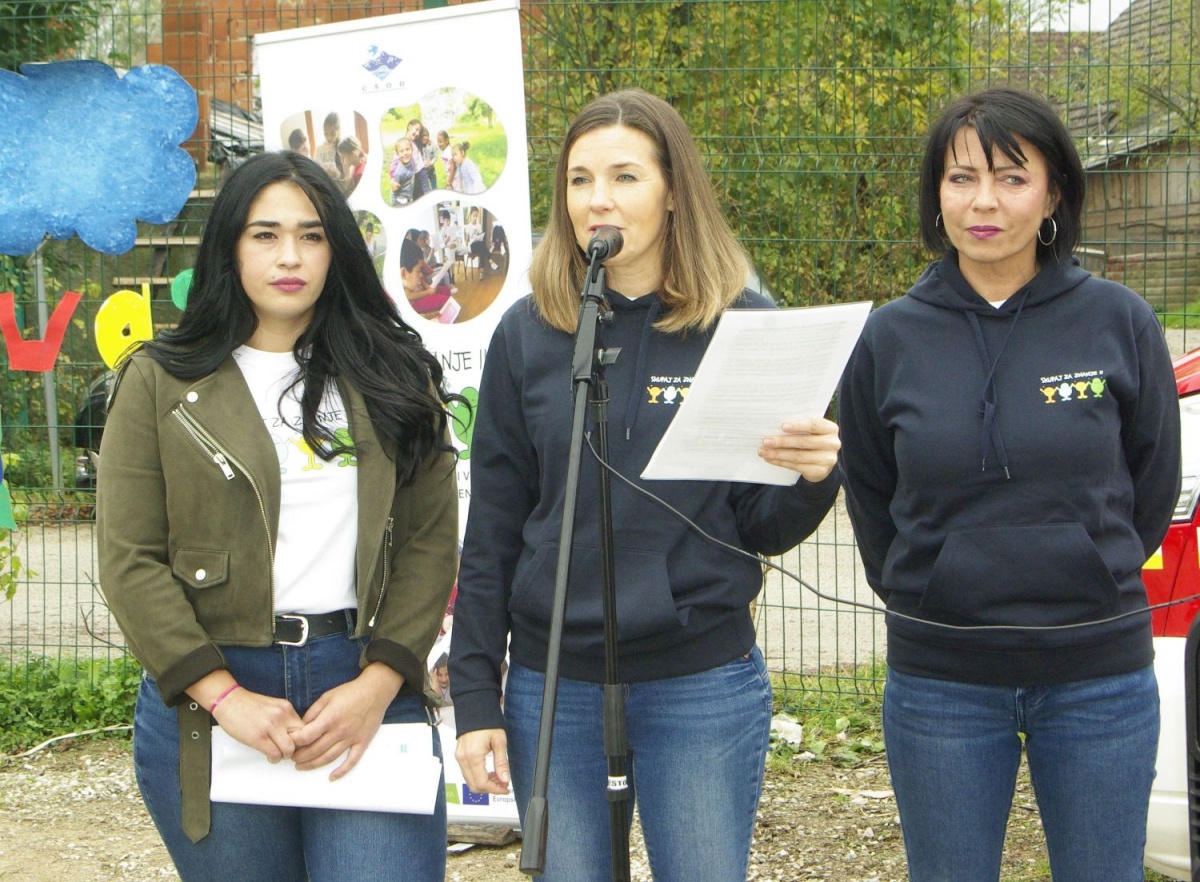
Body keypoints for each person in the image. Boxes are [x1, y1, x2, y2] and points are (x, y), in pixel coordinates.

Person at [448, 88, 841, 882]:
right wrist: (475, 697)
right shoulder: (528, 334)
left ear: (673, 192)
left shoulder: (741, 323)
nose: (599, 199)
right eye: (580, 179)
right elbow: (492, 525)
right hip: (554, 686)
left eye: (625, 177)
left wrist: (811, 479)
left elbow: (758, 523)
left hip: (698, 682)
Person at [837, 86, 1181, 882]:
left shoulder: (1119, 322)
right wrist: (928, 591)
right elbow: (870, 492)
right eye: (961, 179)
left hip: (1099, 676)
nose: (983, 202)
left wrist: (1092, 569)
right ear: (936, 194)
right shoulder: (888, 338)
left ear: (1055, 188)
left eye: (1011, 177)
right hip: (942, 682)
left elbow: (1152, 482)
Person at [95, 151, 461, 882]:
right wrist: (224, 697)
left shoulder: (394, 371)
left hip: (361, 682)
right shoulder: (158, 379)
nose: (289, 256)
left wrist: (380, 682)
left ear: (338, 250)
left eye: (312, 235)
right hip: (216, 694)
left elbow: (429, 543)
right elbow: (129, 559)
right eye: (265, 234)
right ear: (230, 245)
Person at [389, 138, 419, 206]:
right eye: (401, 151)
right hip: (400, 202)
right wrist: (394, 206)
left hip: (409, 198)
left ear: (412, 150)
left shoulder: (411, 161)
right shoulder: (399, 173)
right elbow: (393, 192)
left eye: (407, 149)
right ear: (397, 154)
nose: (405, 153)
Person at [314, 111, 342, 182]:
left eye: (332, 134)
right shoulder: (319, 149)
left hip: (336, 184)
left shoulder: (341, 148)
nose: (329, 137)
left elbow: (346, 176)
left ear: (338, 131)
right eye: (326, 134)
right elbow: (315, 170)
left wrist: (338, 174)